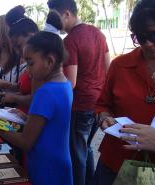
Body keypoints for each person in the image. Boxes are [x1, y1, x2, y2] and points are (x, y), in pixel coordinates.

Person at [94, 0, 155, 184]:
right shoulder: (120, 65)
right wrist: (104, 118)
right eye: (141, 38)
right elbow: (102, 105)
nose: (149, 44)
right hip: (114, 163)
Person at [0, 31, 73, 185]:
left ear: (49, 61)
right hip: (59, 161)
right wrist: (25, 118)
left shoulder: (45, 92)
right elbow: (50, 122)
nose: (28, 71)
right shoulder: (65, 84)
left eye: (30, 63)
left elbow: (26, 142)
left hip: (45, 166)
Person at [47, 0, 110, 184]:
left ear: (66, 14)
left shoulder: (71, 40)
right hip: (97, 103)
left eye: (54, 16)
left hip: (80, 104)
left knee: (77, 154)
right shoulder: (98, 33)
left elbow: (70, 82)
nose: (53, 20)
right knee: (86, 148)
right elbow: (109, 70)